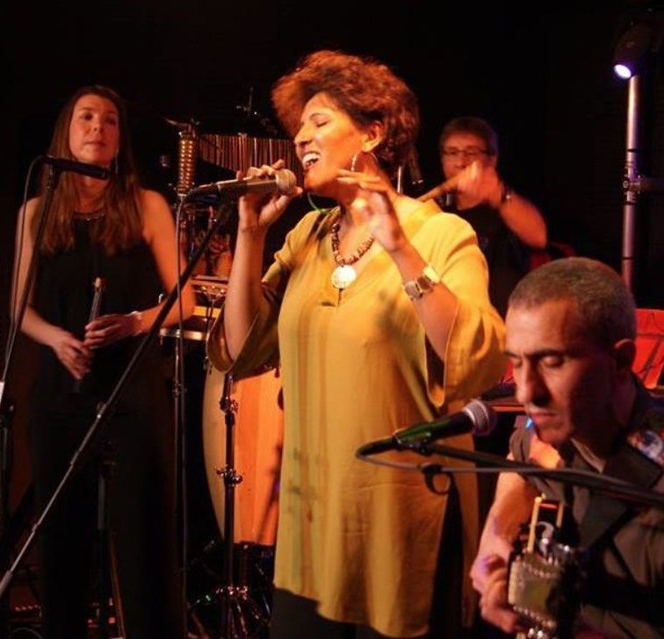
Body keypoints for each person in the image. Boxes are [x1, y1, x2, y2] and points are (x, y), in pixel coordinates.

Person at [206, 49, 506, 639]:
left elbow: (477, 359)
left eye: (319, 121)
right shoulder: (307, 235)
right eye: (299, 127)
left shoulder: (440, 233)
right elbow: (240, 351)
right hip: (311, 528)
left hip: (399, 526)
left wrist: (399, 248)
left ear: (372, 133)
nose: (301, 138)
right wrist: (249, 235)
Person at [12, 84, 195, 638]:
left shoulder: (147, 205)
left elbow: (185, 300)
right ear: (65, 132)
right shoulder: (37, 212)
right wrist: (57, 340)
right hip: (61, 395)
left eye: (110, 120)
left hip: (133, 393)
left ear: (120, 139)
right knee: (62, 545)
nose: (98, 127)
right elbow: (19, 309)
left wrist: (134, 322)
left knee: (145, 539)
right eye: (86, 117)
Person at [470, 256, 664, 638]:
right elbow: (520, 454)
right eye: (517, 364)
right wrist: (496, 535)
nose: (526, 393)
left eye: (551, 362)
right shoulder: (557, 433)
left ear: (621, 361)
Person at [431, 116, 548, 318]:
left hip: (499, 322)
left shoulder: (506, 206)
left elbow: (539, 237)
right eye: (452, 152)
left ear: (491, 159)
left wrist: (497, 193)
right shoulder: (436, 213)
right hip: (447, 320)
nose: (460, 162)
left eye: (471, 152)